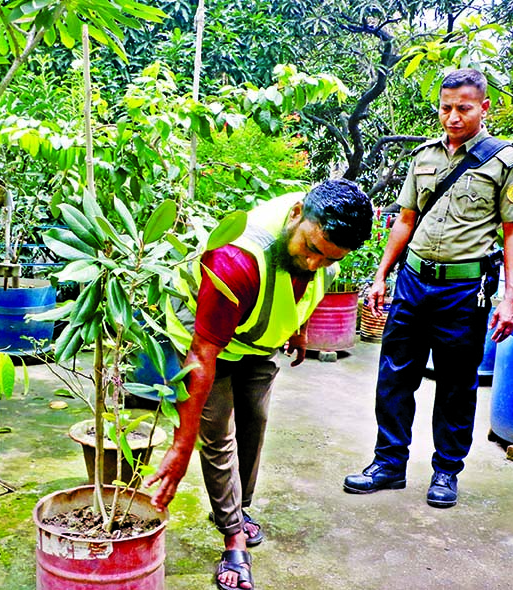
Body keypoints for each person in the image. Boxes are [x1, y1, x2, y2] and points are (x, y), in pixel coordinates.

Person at [147, 180, 374, 590]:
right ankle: (233, 537)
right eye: (311, 250)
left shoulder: (323, 239)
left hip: (256, 340)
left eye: (328, 259)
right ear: (296, 214)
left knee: (255, 418)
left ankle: (238, 508)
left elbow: (313, 282)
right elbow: (203, 355)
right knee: (216, 434)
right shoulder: (235, 261)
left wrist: (300, 328)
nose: (313, 264)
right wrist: (181, 447)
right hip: (207, 339)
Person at [343, 69, 513, 509]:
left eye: (463, 108)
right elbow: (405, 219)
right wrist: (380, 275)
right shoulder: (424, 156)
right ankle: (388, 464)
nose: (452, 117)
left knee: (455, 384)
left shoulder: (504, 161)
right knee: (394, 376)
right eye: (445, 108)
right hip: (412, 280)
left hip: (463, 291)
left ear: (484, 107)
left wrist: (510, 299)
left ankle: (446, 471)